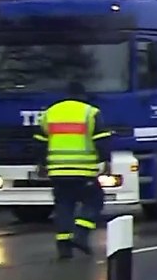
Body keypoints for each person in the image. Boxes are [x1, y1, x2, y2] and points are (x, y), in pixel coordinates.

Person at [35, 81, 111, 259]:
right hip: (83, 170)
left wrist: (41, 164)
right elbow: (101, 140)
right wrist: (106, 162)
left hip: (58, 171)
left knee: (63, 206)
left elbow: (39, 142)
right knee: (94, 201)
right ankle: (81, 234)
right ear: (83, 95)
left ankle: (63, 246)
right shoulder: (90, 112)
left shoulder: (50, 112)